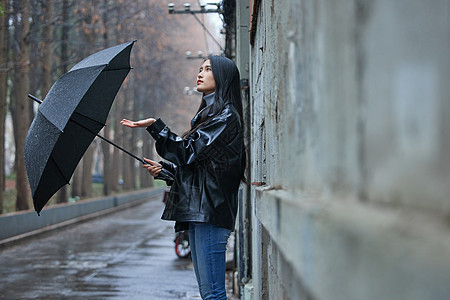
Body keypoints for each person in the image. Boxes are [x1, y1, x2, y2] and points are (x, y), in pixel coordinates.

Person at [121, 56, 245, 299]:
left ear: (224, 77)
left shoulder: (226, 117)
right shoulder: (210, 115)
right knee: (207, 291)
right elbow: (203, 169)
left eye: (208, 69)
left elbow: (188, 152)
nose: (200, 73)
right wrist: (165, 171)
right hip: (203, 213)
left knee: (213, 294)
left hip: (211, 214)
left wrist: (156, 127)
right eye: (200, 68)